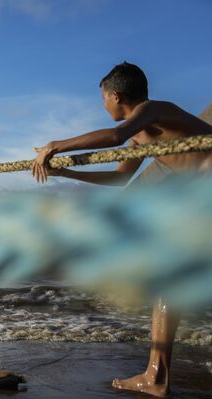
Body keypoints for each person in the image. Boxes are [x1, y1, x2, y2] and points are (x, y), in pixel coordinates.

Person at [31, 62, 212, 397]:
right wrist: (64, 174)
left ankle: (157, 377)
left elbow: (114, 136)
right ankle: (155, 376)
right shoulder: (144, 133)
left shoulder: (153, 110)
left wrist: (55, 144)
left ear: (116, 96)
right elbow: (118, 177)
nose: (103, 107)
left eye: (103, 100)